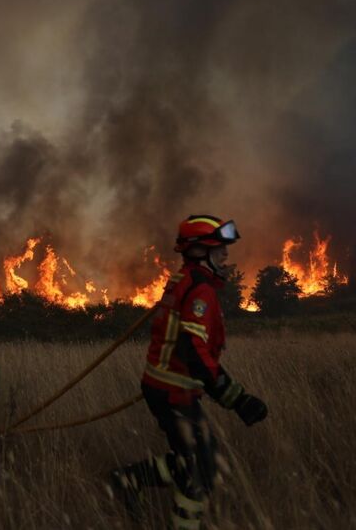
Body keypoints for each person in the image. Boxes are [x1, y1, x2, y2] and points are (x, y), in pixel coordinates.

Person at [110, 215, 268, 529]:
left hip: (165, 387)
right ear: (199, 252)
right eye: (218, 248)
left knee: (193, 461)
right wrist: (237, 398)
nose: (225, 254)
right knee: (203, 468)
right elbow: (194, 352)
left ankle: (128, 479)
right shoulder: (199, 290)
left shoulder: (185, 280)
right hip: (173, 391)